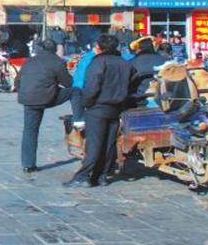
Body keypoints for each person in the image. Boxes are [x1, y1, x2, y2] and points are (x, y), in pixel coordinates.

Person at [65, 34, 132, 188]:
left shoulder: (98, 62)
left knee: (94, 144)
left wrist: (86, 103)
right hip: (116, 108)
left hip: (98, 107)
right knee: (109, 144)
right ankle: (102, 175)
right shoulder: (124, 63)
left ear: (99, 47)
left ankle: (83, 176)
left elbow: (92, 86)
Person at [16, 39, 73, 173]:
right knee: (75, 91)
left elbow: (17, 82)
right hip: (47, 97)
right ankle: (79, 118)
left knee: (30, 130)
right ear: (55, 50)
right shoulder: (57, 62)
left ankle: (28, 164)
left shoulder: (29, 61)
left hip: (28, 98)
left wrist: (25, 92)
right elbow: (68, 83)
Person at [129, 36, 170, 105]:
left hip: (138, 101)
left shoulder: (131, 63)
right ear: (153, 47)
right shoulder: (166, 61)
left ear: (138, 49)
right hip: (164, 101)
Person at [69, 45, 98, 128]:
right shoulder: (93, 58)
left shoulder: (86, 57)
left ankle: (79, 121)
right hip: (88, 90)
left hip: (80, 90)